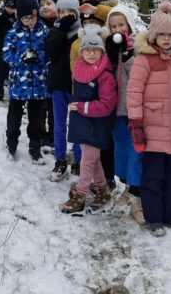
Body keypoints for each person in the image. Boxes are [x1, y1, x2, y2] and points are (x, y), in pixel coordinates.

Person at [126, 1, 171, 236]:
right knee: (153, 176)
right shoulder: (144, 59)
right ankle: (154, 217)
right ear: (153, 35)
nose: (166, 39)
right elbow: (133, 94)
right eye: (162, 34)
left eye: (170, 35)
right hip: (152, 128)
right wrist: (136, 124)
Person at [61, 25, 117, 215]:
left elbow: (107, 104)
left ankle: (81, 194)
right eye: (87, 49)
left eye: (96, 50)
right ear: (82, 51)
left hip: (97, 124)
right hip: (82, 121)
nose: (91, 53)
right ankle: (102, 189)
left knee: (87, 161)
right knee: (92, 158)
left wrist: (81, 107)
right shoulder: (79, 69)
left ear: (102, 52)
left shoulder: (105, 75)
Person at [103, 4, 144, 223]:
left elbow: (139, 73)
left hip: (134, 108)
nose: (118, 29)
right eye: (114, 26)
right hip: (115, 108)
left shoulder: (138, 45)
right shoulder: (107, 46)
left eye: (121, 25)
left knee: (135, 149)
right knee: (120, 149)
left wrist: (128, 55)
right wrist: (110, 57)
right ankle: (127, 185)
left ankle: (137, 193)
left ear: (128, 25)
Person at [3, 0, 50, 162]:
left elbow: (50, 52)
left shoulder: (44, 31)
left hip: (38, 83)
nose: (30, 21)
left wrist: (39, 56)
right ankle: (11, 143)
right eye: (26, 18)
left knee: (36, 118)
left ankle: (35, 146)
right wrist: (21, 58)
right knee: (14, 116)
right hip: (18, 84)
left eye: (33, 17)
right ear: (19, 18)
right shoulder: (13, 33)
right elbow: (6, 55)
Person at [45, 0, 81, 182]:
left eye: (70, 12)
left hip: (76, 87)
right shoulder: (54, 31)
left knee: (77, 126)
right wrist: (62, 30)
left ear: (77, 13)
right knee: (59, 126)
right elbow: (49, 51)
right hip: (58, 85)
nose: (66, 15)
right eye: (63, 12)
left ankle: (79, 160)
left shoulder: (82, 33)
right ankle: (60, 160)